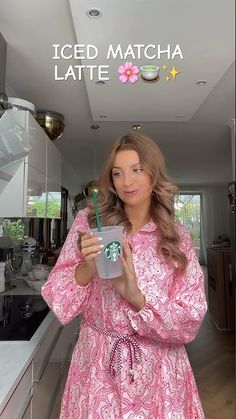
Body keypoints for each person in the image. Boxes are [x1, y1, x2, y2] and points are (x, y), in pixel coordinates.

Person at [41, 132, 207, 419]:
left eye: (136, 170)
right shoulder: (88, 222)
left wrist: (136, 297)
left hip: (160, 373)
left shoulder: (176, 236)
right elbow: (58, 297)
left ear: (154, 175)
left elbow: (191, 318)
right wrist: (90, 266)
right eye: (117, 173)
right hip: (97, 367)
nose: (126, 182)